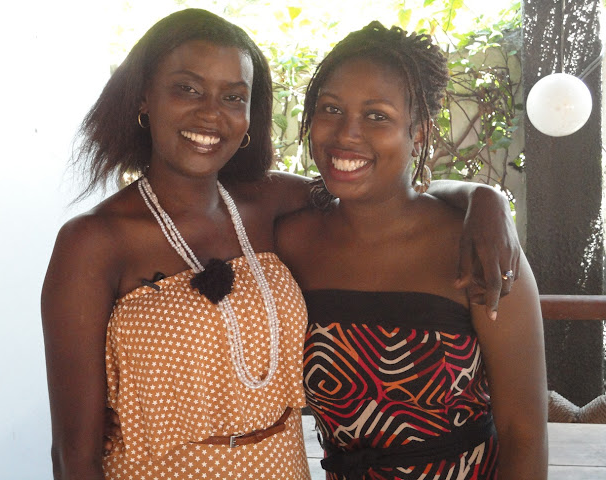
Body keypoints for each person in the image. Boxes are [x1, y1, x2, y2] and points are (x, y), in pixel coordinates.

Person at [42, 9, 521, 480]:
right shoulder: (92, 242)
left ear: (249, 114)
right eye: (187, 89)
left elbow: (376, 190)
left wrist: (484, 198)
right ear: (144, 97)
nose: (210, 112)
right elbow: (73, 455)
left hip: (283, 465)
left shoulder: (268, 204)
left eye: (233, 96)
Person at [276, 22, 548, 480]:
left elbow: (523, 433)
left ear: (418, 132)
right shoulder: (290, 242)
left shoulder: (477, 248)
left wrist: (485, 198)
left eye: (377, 116)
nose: (347, 133)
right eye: (331, 109)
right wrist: (484, 194)